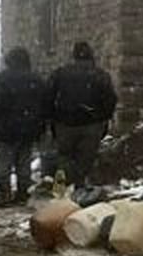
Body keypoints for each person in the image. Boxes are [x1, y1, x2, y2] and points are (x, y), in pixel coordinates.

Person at [47, 41, 117, 187]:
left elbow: (48, 96)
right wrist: (102, 118)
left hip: (65, 124)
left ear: (74, 56)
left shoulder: (60, 73)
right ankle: (80, 188)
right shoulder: (100, 75)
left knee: (64, 157)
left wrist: (53, 118)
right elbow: (110, 99)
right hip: (91, 124)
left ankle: (61, 188)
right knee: (85, 160)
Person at [0, 47, 47, 203]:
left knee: (3, 166)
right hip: (28, 129)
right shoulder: (36, 79)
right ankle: (22, 192)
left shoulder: (2, 78)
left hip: (6, 129)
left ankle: (5, 193)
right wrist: (39, 125)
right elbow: (44, 104)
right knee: (23, 163)